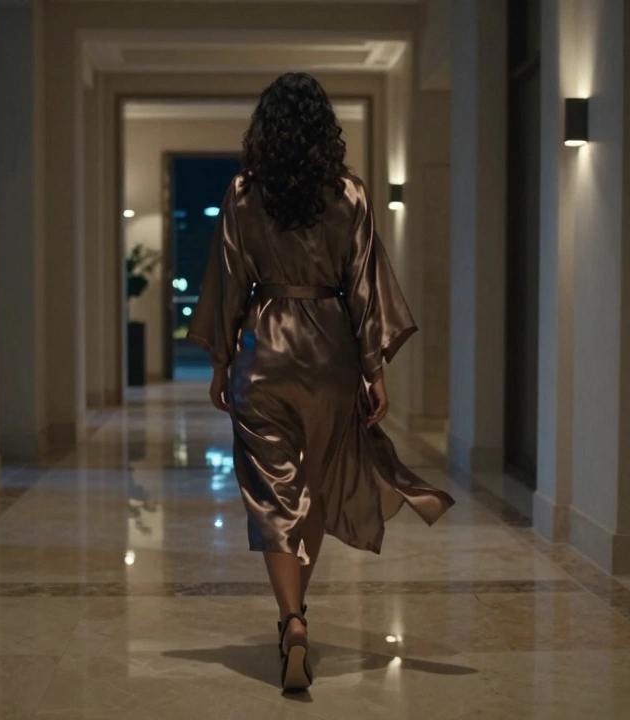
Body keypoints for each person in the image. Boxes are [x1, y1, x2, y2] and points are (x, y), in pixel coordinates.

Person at [188, 72, 456, 693]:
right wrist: (374, 370)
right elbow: (364, 288)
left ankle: (292, 619)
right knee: (309, 487)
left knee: (273, 493)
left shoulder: (242, 193)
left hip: (265, 349)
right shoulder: (351, 194)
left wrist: (223, 362)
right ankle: (296, 621)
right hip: (331, 351)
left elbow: (229, 282)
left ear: (266, 129)